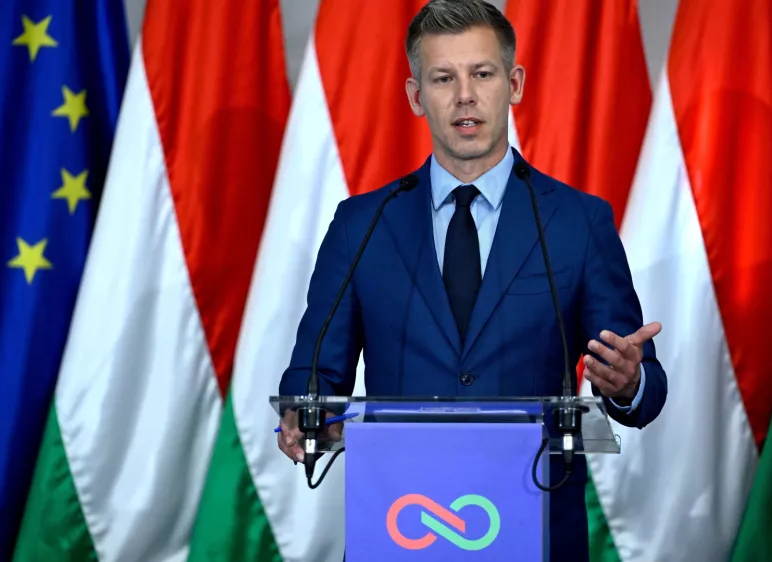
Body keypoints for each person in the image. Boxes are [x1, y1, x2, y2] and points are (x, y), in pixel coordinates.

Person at [277, 0, 666, 559]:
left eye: (482, 74)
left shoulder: (577, 222)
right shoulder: (362, 224)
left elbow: (645, 385)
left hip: (536, 527)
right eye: (443, 78)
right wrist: (302, 408)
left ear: (514, 84)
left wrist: (628, 382)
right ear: (416, 96)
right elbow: (314, 371)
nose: (465, 95)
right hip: (402, 526)